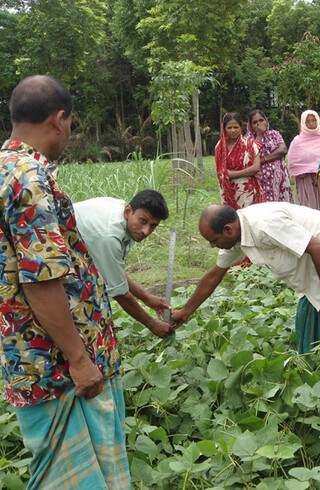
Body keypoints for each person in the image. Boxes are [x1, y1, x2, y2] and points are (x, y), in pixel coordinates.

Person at [0, 76, 129, 487]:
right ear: (59, 120)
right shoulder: (28, 178)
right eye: (70, 124)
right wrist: (78, 358)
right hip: (56, 366)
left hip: (26, 354)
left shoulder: (4, 167)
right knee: (76, 475)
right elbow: (40, 279)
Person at [170, 203, 320, 355]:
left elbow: (318, 248)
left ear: (228, 230)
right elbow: (214, 275)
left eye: (214, 240)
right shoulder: (235, 237)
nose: (213, 246)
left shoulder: (264, 226)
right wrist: (186, 311)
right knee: (307, 331)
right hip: (314, 268)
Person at [74, 190, 173, 338]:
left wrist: (146, 297)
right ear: (128, 211)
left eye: (153, 226)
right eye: (143, 221)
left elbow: (115, 271)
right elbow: (120, 293)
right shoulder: (109, 236)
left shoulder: (123, 215)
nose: (146, 231)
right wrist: (152, 324)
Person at [215, 112, 266, 210]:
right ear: (224, 128)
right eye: (229, 128)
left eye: (235, 127)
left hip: (249, 192)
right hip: (228, 191)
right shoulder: (220, 147)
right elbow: (221, 173)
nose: (233, 130)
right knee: (232, 220)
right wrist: (247, 172)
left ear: (241, 127)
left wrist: (232, 174)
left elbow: (256, 168)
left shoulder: (250, 145)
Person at [246, 110, 294, 203]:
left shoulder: (274, 134)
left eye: (261, 120)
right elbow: (250, 157)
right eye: (255, 122)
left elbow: (283, 150)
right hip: (259, 181)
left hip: (279, 181)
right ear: (251, 126)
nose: (258, 124)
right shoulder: (247, 139)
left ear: (266, 121)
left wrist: (262, 160)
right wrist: (259, 136)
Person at [286, 110, 320, 210]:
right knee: (308, 210)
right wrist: (308, 170)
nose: (311, 124)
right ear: (303, 123)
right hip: (305, 182)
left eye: (313, 120)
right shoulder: (297, 141)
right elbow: (293, 163)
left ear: (318, 121)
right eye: (307, 121)